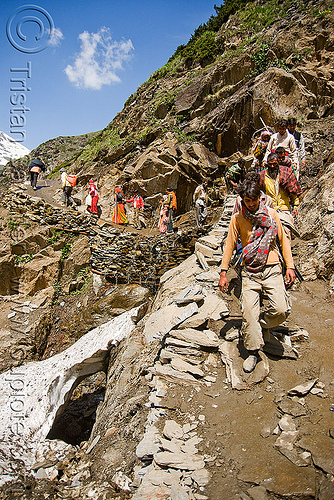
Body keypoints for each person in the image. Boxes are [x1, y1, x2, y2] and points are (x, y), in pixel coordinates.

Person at [219, 176, 295, 373]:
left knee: (281, 309)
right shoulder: (237, 219)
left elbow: (283, 241)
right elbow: (229, 245)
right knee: (248, 313)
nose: (251, 204)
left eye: (254, 200)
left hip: (272, 269)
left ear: (260, 197)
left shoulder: (271, 215)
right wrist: (223, 272)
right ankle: (253, 351)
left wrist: (290, 266)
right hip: (250, 272)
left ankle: (263, 325)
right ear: (242, 201)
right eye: (247, 201)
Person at [259, 152, 302, 240]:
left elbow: (293, 192)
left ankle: (287, 252)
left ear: (278, 162)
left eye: (274, 164)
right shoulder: (262, 176)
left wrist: (295, 207)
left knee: (285, 232)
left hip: (284, 208)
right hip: (269, 209)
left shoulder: (286, 173)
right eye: (270, 164)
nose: (272, 166)